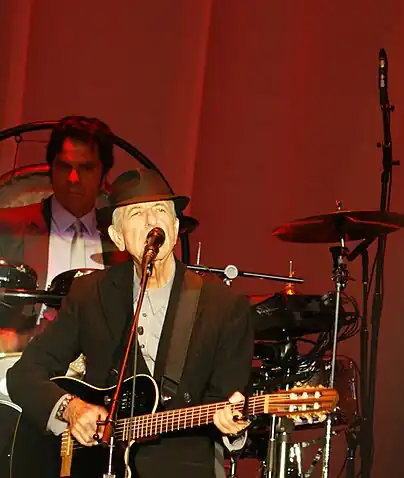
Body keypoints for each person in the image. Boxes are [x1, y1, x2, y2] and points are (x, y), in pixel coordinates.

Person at [6, 168, 254, 478]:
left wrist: (232, 426)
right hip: (93, 465)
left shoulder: (224, 306)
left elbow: (227, 406)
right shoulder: (90, 294)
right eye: (138, 213)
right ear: (117, 237)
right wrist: (71, 408)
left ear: (175, 229)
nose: (152, 222)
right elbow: (24, 375)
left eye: (161, 210)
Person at [0, 116, 128, 351]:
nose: (73, 179)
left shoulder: (122, 246)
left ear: (103, 176)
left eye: (86, 168)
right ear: (51, 168)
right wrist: (15, 340)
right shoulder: (6, 228)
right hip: (16, 373)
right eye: (64, 166)